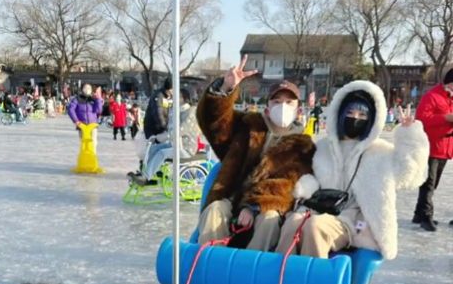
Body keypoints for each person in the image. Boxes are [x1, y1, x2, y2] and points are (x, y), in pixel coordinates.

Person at [276, 80, 429, 259]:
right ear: (340, 114)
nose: (355, 118)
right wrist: (305, 187)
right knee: (292, 222)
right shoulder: (324, 147)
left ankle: (314, 282)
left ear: (371, 120)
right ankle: (281, 276)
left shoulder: (380, 152)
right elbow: (313, 177)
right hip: (319, 208)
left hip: (354, 221)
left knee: (315, 227)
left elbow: (410, 176)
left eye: (362, 114)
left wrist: (410, 137)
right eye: (350, 112)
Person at [196, 56, 316, 251]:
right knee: (215, 209)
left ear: (298, 110)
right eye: (277, 101)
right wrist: (225, 88)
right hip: (232, 201)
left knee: (268, 219)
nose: (282, 106)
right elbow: (215, 124)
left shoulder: (303, 148)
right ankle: (209, 264)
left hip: (267, 209)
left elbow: (287, 186)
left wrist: (253, 206)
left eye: (289, 102)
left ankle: (250, 273)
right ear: (267, 108)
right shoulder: (246, 128)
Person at [411, 65, 453, 231]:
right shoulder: (432, 96)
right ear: (449, 83)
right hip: (430, 146)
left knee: (432, 183)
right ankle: (426, 216)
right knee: (428, 184)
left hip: (445, 147)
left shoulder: (450, 99)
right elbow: (422, 118)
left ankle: (418, 214)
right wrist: (445, 117)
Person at [142, 88, 201, 180]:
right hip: (176, 144)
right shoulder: (177, 111)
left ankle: (146, 177)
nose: (175, 99)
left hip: (186, 148)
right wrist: (157, 137)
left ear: (184, 98)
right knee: (154, 148)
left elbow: (180, 130)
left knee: (162, 153)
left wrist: (161, 137)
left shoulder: (190, 112)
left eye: (178, 97)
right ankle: (146, 173)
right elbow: (170, 129)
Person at [67, 84, 103, 151]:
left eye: (89, 88)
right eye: (85, 88)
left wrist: (98, 99)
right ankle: (84, 158)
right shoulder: (77, 99)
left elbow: (99, 110)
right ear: (82, 89)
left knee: (93, 142)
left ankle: (92, 157)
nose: (87, 89)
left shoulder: (93, 99)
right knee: (83, 143)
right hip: (82, 125)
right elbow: (70, 110)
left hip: (92, 125)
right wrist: (76, 120)